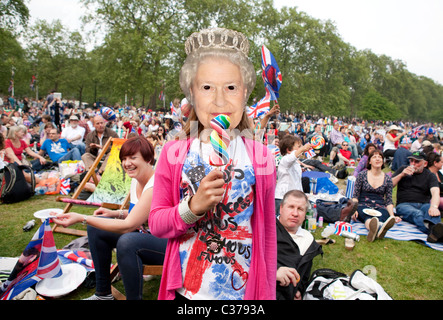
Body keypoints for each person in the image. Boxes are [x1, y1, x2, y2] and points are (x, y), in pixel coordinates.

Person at [148, 27, 277, 300]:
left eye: (231, 87)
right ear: (192, 94)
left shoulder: (261, 157)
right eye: (207, 87)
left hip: (241, 292)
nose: (220, 100)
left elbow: (267, 236)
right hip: (187, 290)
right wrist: (192, 207)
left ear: (244, 94)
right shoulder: (174, 153)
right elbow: (157, 224)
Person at [53, 136, 167, 300]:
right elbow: (138, 213)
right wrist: (113, 213)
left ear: (149, 159)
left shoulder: (155, 184)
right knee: (96, 228)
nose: (127, 163)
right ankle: (103, 294)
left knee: (127, 242)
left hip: (169, 244)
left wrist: (81, 218)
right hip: (147, 235)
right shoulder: (136, 178)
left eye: (133, 157)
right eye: (124, 158)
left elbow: (129, 225)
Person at [276, 190, 323, 300]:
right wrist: (274, 271)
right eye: (291, 207)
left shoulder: (308, 240)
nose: (295, 213)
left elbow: (304, 274)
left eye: (300, 209)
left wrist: (300, 290)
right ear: (281, 208)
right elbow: (249, 261)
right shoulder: (266, 230)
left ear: (305, 213)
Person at [392, 151, 442, 243]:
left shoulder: (429, 175)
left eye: (417, 162)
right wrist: (401, 175)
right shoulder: (403, 169)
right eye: (411, 161)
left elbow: (435, 191)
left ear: (425, 163)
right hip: (404, 204)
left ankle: (435, 234)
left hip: (423, 204)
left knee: (433, 213)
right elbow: (388, 185)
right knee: (418, 214)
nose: (413, 164)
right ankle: (435, 233)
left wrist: (434, 207)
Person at [351, 150, 400, 242]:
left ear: (383, 161)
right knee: (367, 217)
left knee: (383, 215)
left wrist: (392, 216)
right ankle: (377, 228)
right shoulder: (362, 175)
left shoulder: (388, 179)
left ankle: (376, 228)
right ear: (369, 161)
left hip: (380, 206)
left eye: (380, 157)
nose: (377, 159)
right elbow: (355, 196)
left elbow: (389, 200)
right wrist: (353, 210)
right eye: (374, 157)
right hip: (363, 205)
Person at [275, 134, 312, 216]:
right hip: (282, 198)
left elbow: (296, 182)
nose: (301, 148)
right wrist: (303, 149)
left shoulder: (295, 162)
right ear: (289, 150)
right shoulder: (285, 159)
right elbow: (291, 158)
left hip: (292, 197)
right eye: (298, 147)